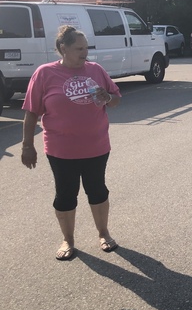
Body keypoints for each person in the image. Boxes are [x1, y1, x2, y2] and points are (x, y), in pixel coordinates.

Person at [20, 25, 121, 260]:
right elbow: (31, 112)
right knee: (65, 195)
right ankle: (68, 239)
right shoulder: (44, 74)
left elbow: (115, 99)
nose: (85, 53)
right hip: (61, 150)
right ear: (63, 48)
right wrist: (27, 145)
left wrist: (107, 98)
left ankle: (103, 233)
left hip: (96, 146)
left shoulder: (96, 70)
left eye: (86, 48)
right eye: (79, 48)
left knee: (98, 190)